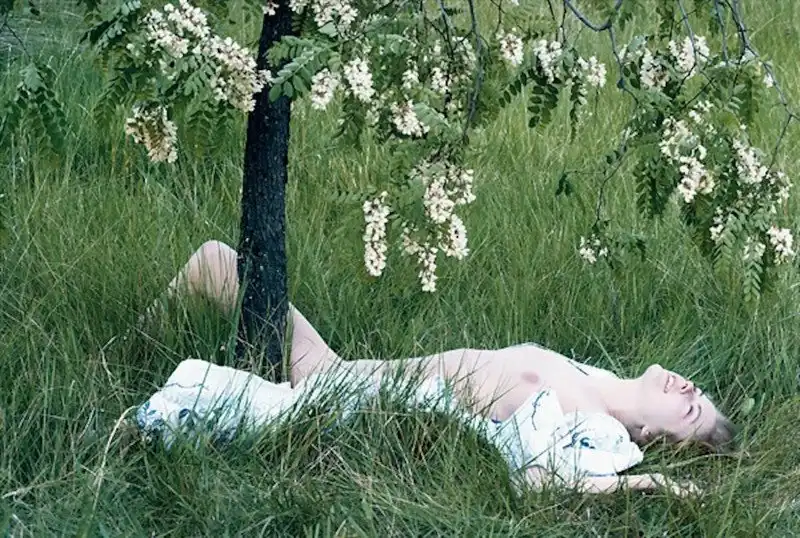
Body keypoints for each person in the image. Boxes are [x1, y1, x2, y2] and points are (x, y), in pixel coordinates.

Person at [148, 240, 736, 494]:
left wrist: (648, 482)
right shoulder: (596, 379)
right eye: (698, 390)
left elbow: (540, 481)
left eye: (690, 410)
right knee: (216, 263)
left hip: (340, 399)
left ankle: (131, 352)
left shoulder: (600, 431)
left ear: (652, 436)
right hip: (348, 375)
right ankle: (140, 342)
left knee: (217, 264)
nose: (688, 387)